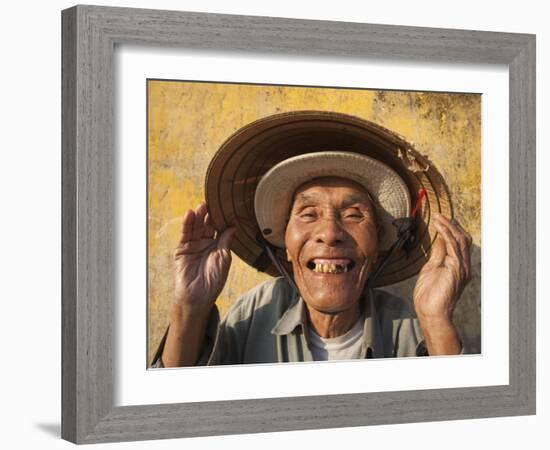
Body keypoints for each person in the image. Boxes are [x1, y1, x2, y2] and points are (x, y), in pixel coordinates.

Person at [151, 151, 472, 367]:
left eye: (353, 214)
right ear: (286, 249)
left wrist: (435, 318)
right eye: (308, 214)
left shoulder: (408, 328)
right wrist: (190, 309)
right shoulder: (253, 314)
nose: (330, 232)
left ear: (378, 248)